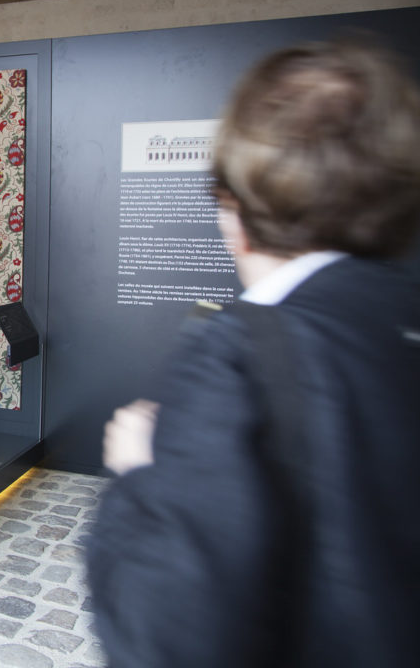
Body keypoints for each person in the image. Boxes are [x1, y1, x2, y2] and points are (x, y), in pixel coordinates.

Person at [87, 40, 420, 667]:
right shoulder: (402, 321)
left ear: (234, 206)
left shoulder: (238, 357)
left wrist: (139, 478)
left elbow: (164, 637)